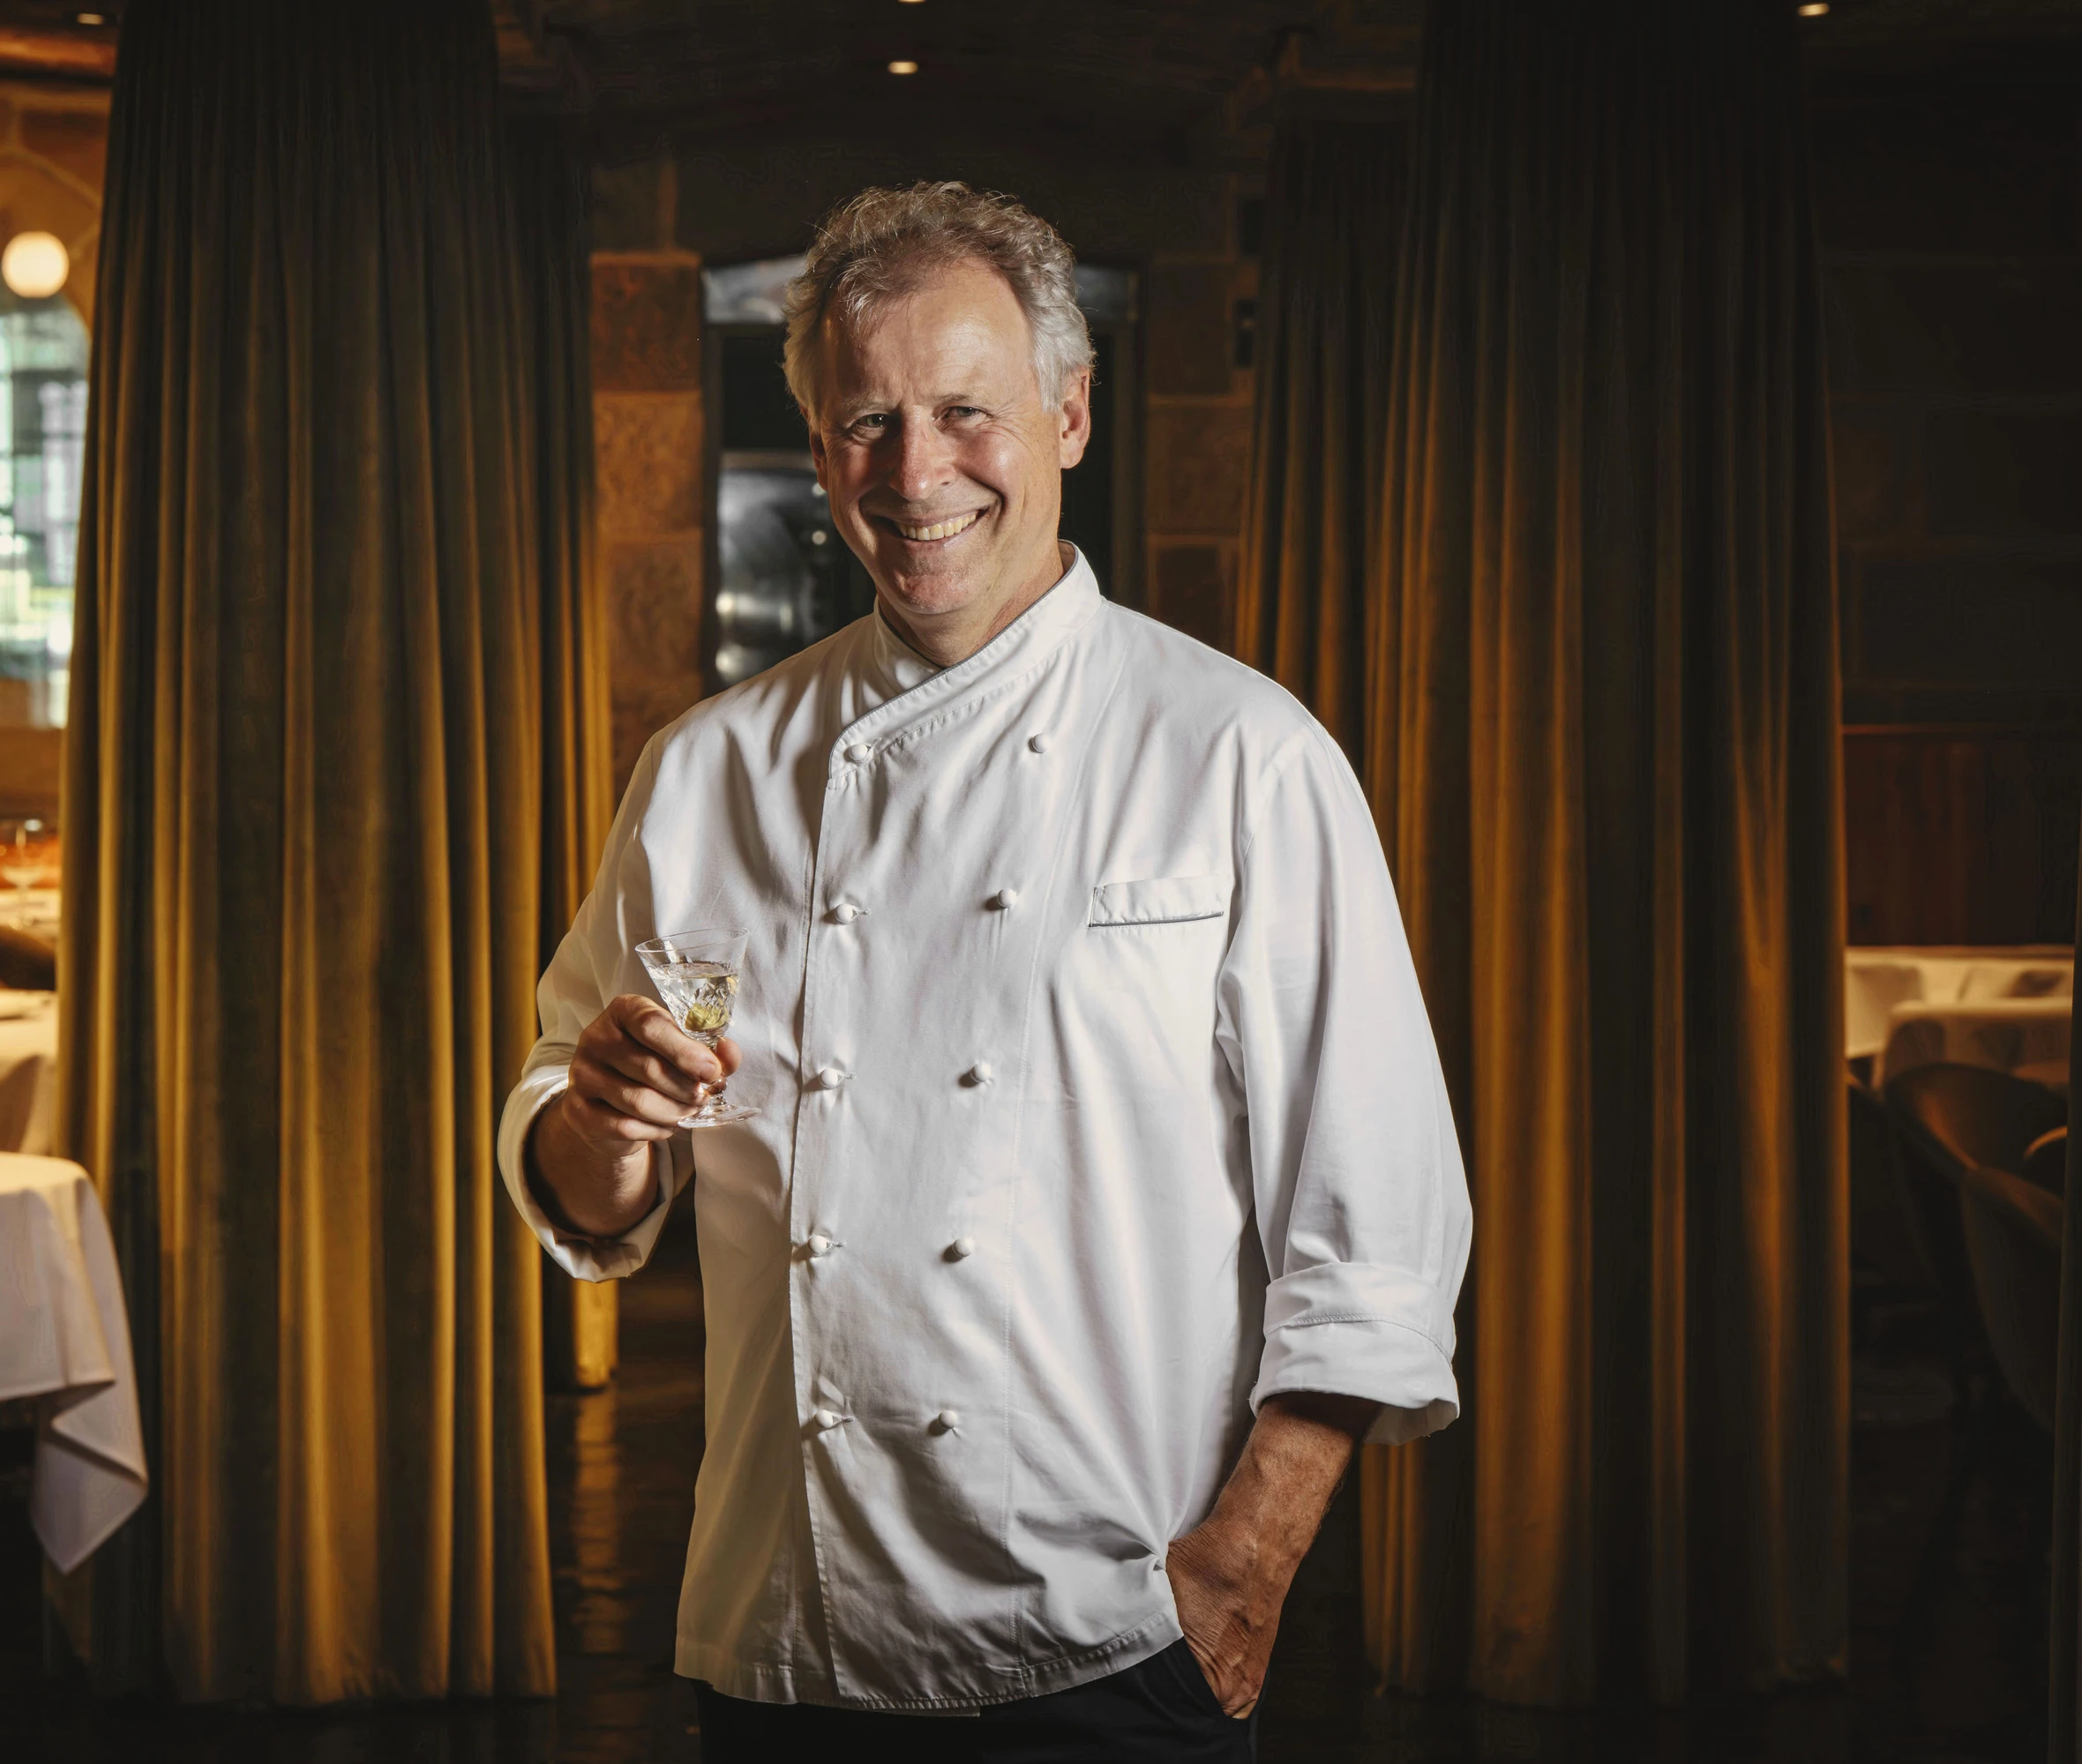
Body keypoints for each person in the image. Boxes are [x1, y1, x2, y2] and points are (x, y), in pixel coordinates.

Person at [498, 182, 1471, 1761]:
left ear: (1069, 416)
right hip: (782, 1638)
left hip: (1110, 1633)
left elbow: (1376, 1222)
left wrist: (1244, 1569)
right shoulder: (707, 772)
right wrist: (601, 1122)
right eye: (866, 423)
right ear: (820, 453)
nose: (916, 471)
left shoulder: (1238, 755)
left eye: (967, 411)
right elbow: (590, 1190)